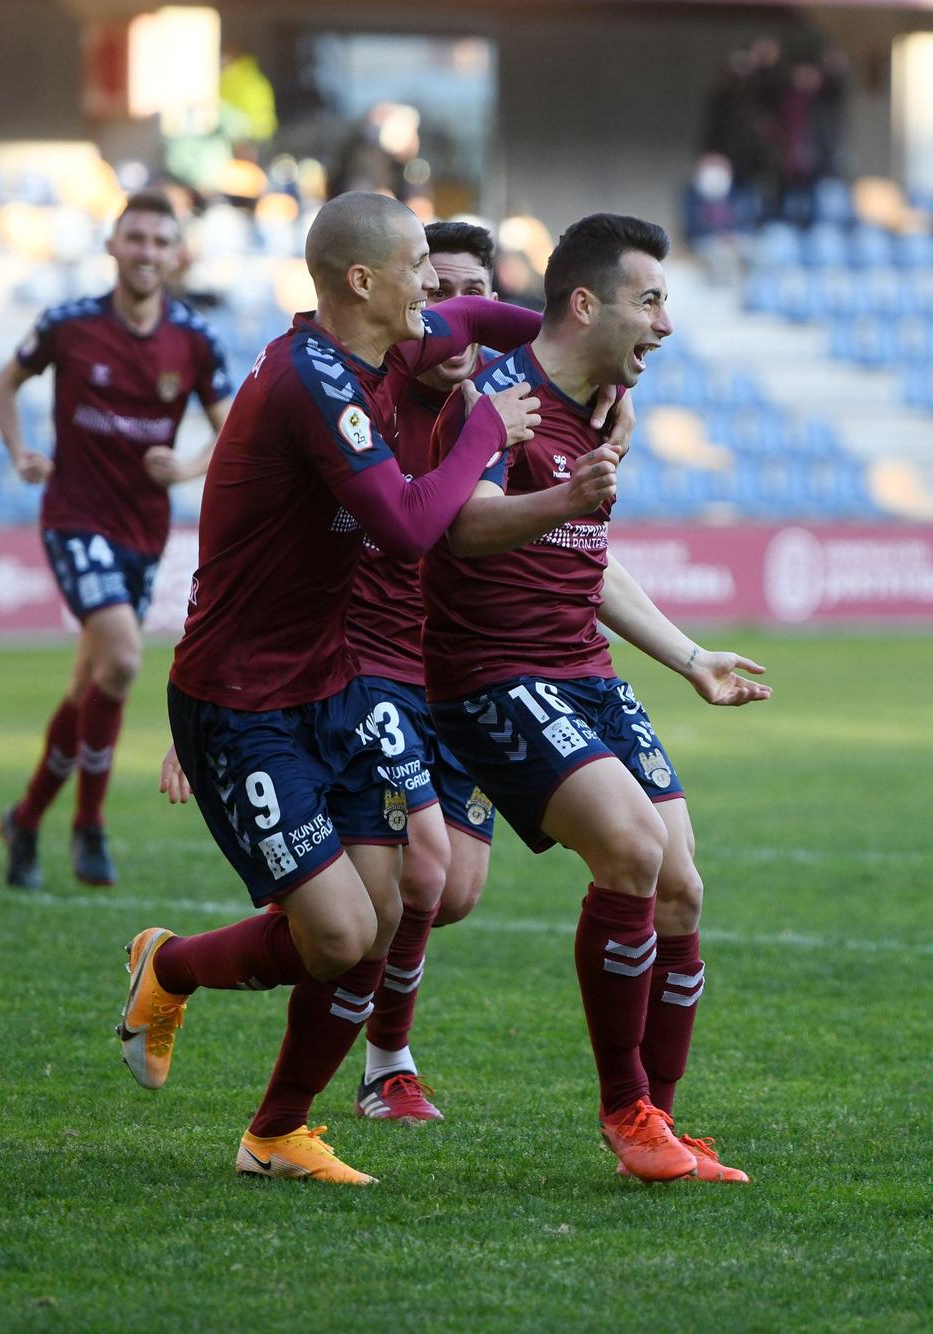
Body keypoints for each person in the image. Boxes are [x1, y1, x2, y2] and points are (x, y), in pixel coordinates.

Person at [116, 191, 556, 1186]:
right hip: (241, 699)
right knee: (339, 930)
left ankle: (277, 1131)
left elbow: (485, 319)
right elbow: (407, 524)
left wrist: (575, 337)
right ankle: (170, 966)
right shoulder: (312, 380)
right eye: (417, 269)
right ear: (363, 281)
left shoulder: (382, 341)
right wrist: (486, 429)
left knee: (400, 893)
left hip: (337, 681)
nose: (435, 290)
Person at [424, 213, 771, 1183]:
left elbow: (589, 557)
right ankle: (625, 1112)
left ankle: (658, 1118)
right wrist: (566, 499)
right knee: (629, 847)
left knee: (681, 885)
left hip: (584, 671)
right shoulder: (496, 397)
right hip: (492, 673)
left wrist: (690, 654)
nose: (663, 324)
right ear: (586, 302)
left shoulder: (603, 404)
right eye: (650, 300)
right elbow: (464, 527)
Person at [340, 220, 634, 1123]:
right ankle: (386, 1063)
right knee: (412, 883)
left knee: (452, 890)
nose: (452, 329)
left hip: (468, 667)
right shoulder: (373, 406)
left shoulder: (515, 406)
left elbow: (553, 328)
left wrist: (619, 368)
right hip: (376, 668)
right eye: (436, 299)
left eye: (469, 302)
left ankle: (295, 949)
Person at [0, 191, 233, 891]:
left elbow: (231, 429)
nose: (148, 251)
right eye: (136, 238)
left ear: (175, 253)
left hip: (143, 529)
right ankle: (90, 827)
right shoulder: (69, 325)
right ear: (113, 246)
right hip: (73, 515)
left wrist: (184, 466)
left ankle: (26, 819)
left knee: (90, 682)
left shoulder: (192, 337)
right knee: (124, 661)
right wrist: (19, 451)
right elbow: (5, 385)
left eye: (161, 240)